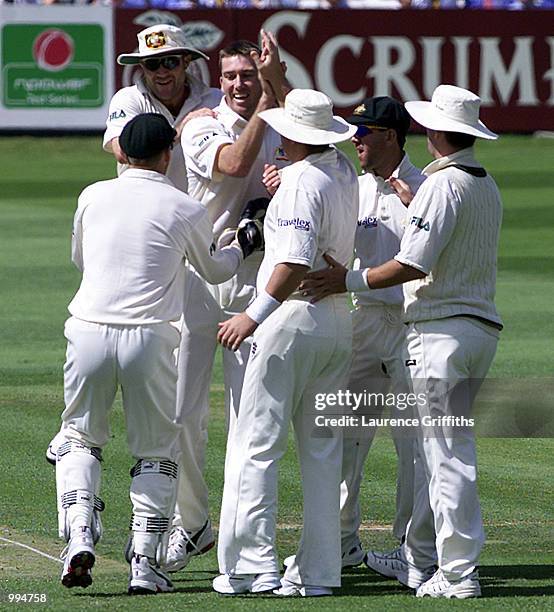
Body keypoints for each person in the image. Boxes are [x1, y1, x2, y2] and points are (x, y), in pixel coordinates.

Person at [302, 84, 503, 599]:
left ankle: (457, 575)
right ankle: (443, 566)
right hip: (476, 332)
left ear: (436, 131)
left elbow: (413, 263)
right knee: (443, 454)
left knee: (444, 457)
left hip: (440, 334)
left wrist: (343, 281)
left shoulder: (440, 185)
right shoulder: (485, 183)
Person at [54, 113, 261, 595]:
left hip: (87, 330)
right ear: (170, 154)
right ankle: (145, 567)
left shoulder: (93, 195)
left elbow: (80, 260)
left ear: (122, 152)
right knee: (156, 451)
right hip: (150, 338)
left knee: (79, 438)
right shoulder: (184, 207)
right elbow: (214, 271)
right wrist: (245, 243)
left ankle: (79, 533)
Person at [214, 89, 358, 597]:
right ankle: (319, 573)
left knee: (256, 446)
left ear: (294, 134)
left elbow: (293, 259)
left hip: (290, 319)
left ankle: (253, 567)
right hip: (337, 321)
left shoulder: (299, 180)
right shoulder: (342, 168)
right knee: (321, 452)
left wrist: (250, 317)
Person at [163, 33, 289, 573]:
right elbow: (235, 165)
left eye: (249, 74)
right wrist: (268, 96)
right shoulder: (200, 121)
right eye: (232, 75)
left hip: (254, 284)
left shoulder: (281, 114)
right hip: (197, 279)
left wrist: (276, 81)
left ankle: (244, 544)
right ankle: (193, 525)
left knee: (250, 417)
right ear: (219, 78)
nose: (240, 84)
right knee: (184, 413)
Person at [335, 96, 426, 569]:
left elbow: (426, 262)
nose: (356, 140)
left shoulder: (425, 187)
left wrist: (414, 211)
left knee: (412, 443)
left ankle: (411, 548)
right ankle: (343, 540)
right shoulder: (354, 186)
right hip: (364, 323)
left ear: (389, 136)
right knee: (349, 434)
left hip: (409, 328)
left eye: (363, 132)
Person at [103, 23, 222, 193]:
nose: (162, 72)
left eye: (170, 62)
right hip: (144, 206)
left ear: (186, 61)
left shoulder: (215, 99)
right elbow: (122, 153)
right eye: (152, 64)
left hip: (197, 211)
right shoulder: (129, 99)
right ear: (142, 66)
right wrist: (181, 130)